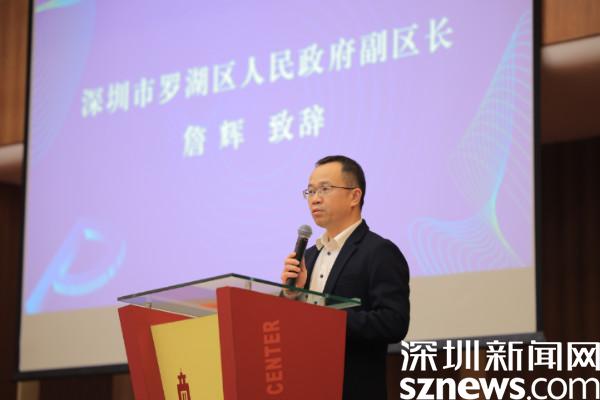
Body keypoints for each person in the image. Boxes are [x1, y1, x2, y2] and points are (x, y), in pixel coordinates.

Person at [281, 155, 410, 400]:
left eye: (324, 189)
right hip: (305, 387)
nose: (315, 199)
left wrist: (327, 321)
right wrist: (292, 295)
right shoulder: (308, 255)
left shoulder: (379, 251)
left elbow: (394, 322)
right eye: (310, 191)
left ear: (354, 196)